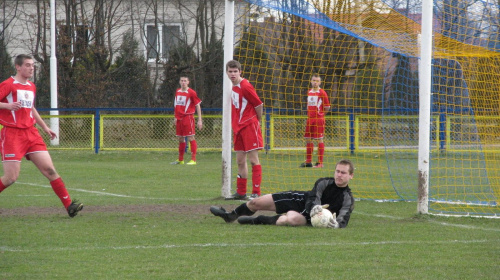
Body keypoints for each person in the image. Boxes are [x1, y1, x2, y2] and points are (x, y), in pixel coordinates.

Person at [0, 54, 83, 217]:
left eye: (32, 65)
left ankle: (69, 206)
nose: (31, 68)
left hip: (31, 133)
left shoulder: (31, 86)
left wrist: (45, 127)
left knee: (50, 170)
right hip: (12, 134)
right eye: (28, 65)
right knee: (11, 178)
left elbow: (31, 108)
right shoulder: (8, 85)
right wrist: (6, 105)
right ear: (18, 67)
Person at [210, 159, 355, 228]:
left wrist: (337, 225)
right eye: (337, 171)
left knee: (289, 220)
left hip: (311, 219)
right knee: (256, 202)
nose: (339, 175)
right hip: (300, 201)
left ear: (351, 176)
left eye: (343, 173)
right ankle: (230, 216)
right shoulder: (324, 182)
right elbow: (313, 197)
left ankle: (258, 220)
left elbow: (344, 218)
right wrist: (314, 207)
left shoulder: (347, 198)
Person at [225, 60, 263, 200]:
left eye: (235, 71)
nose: (233, 74)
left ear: (240, 71)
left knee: (253, 160)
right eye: (230, 71)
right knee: (240, 161)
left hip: (249, 125)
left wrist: (256, 120)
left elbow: (258, 104)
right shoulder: (233, 87)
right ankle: (241, 192)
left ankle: (256, 193)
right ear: (227, 73)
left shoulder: (245, 86)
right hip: (238, 128)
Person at [300, 74, 330, 168]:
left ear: (320, 82)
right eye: (314, 80)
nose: (315, 82)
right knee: (308, 139)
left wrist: (321, 115)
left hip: (318, 119)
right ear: (311, 81)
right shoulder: (309, 92)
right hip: (310, 119)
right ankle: (308, 161)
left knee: (319, 139)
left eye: (317, 81)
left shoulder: (322, 92)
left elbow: (327, 107)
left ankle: (320, 162)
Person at [171, 76, 202, 165]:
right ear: (179, 82)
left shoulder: (191, 92)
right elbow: (176, 105)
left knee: (190, 137)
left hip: (188, 117)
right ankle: (180, 159)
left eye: (185, 81)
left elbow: (198, 105)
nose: (183, 82)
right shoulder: (178, 91)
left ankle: (193, 159)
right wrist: (175, 116)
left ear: (188, 82)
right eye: (182, 81)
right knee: (180, 138)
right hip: (179, 118)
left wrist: (200, 120)